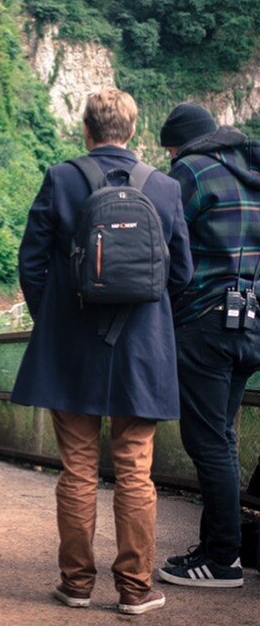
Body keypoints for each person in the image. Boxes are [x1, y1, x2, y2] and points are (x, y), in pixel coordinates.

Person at [11, 87, 193, 614]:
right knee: (136, 470)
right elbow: (178, 273)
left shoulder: (63, 177)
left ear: (86, 129)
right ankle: (135, 590)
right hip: (141, 349)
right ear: (133, 132)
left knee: (78, 469)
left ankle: (76, 585)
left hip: (71, 345)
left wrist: (56, 316)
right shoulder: (163, 187)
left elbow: (33, 262)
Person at [158, 103, 260, 588]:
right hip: (251, 323)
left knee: (207, 443)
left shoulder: (190, 173)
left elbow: (161, 244)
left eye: (171, 148)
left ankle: (222, 560)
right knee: (223, 437)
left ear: (181, 143)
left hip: (204, 323)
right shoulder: (252, 168)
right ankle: (218, 550)